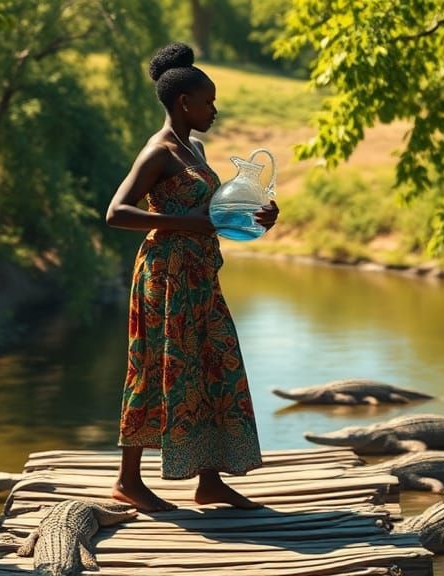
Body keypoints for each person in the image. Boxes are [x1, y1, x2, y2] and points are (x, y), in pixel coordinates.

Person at [104, 42, 279, 512]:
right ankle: (128, 481)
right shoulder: (158, 151)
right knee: (155, 367)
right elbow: (116, 212)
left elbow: (209, 214)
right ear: (184, 103)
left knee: (211, 363)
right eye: (209, 101)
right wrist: (185, 224)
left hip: (200, 275)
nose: (214, 110)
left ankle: (210, 480)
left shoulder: (194, 148)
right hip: (164, 276)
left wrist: (255, 217)